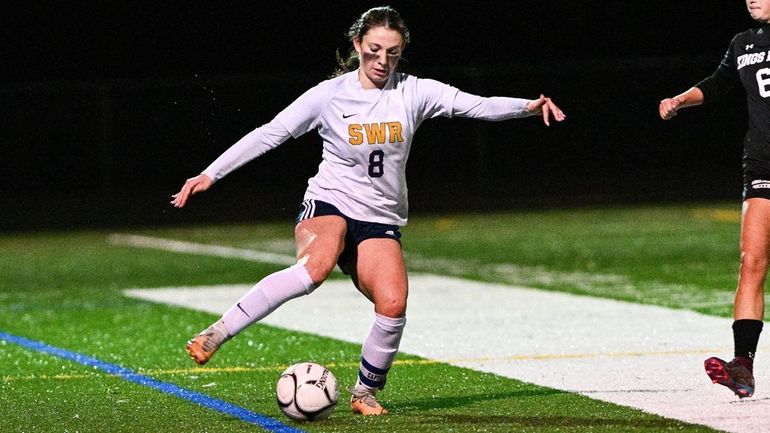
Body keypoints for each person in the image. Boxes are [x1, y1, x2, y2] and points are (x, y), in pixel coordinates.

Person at [172, 5, 565, 415]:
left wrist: (527, 106)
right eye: (374, 50)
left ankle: (364, 394)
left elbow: (476, 105)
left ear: (402, 51)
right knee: (315, 268)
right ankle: (218, 332)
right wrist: (211, 173)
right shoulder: (329, 95)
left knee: (393, 305)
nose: (382, 61)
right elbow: (271, 133)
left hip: (378, 219)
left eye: (392, 53)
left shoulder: (414, 92)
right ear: (358, 44)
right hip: (330, 203)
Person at [659, 0, 768, 399]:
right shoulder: (743, 43)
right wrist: (680, 100)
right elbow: (717, 83)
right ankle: (743, 366)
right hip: (761, 165)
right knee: (751, 261)